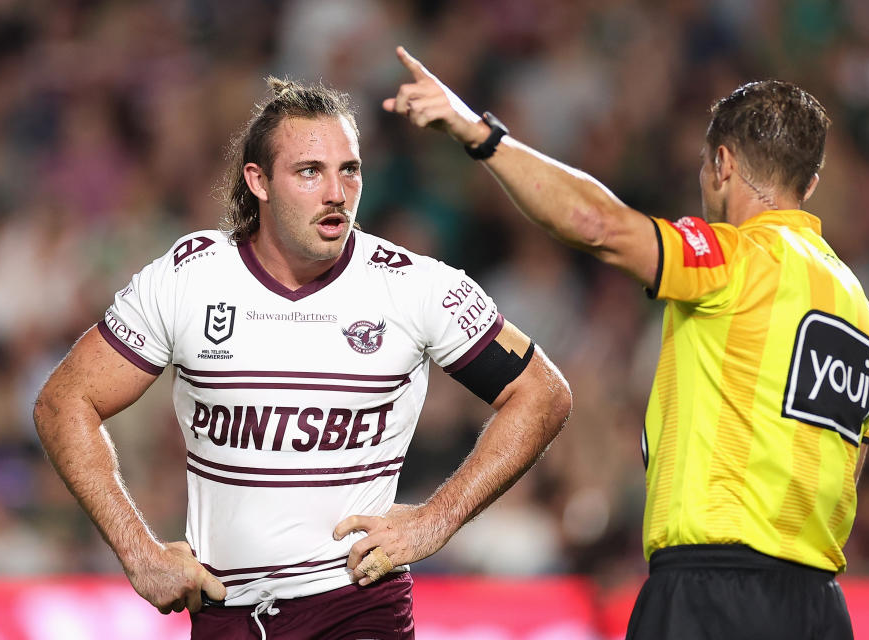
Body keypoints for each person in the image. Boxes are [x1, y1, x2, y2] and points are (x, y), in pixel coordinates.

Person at [383, 46, 869, 639]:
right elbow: (848, 468)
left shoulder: (736, 258)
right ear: (808, 181)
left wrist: (480, 134)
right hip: (820, 608)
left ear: (722, 164)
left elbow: (597, 225)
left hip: (712, 596)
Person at [33, 77, 572, 639]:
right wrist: (138, 553)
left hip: (357, 609)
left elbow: (542, 393)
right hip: (225, 614)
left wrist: (436, 521)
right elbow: (63, 401)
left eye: (350, 169)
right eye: (310, 171)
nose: (336, 192)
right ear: (258, 181)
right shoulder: (190, 277)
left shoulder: (413, 286)